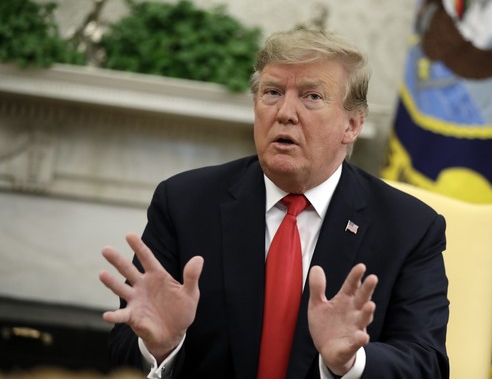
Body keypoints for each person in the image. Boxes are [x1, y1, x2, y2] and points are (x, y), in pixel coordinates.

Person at [99, 28, 449, 378]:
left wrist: (350, 363)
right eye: (272, 93)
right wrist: (160, 347)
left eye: (311, 96)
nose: (285, 113)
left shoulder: (410, 228)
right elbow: (123, 351)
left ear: (352, 125)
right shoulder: (184, 203)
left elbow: (426, 364)